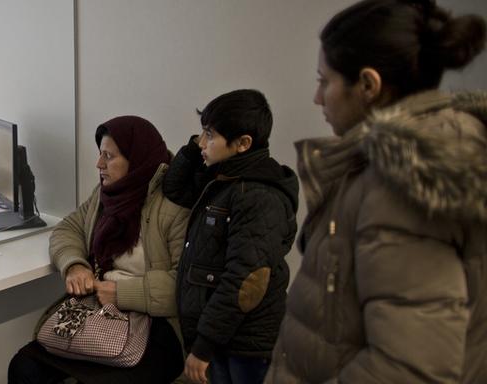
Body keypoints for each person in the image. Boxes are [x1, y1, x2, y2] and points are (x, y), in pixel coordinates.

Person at [266, 1, 487, 382]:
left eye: (325, 81)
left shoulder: (404, 185)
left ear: (368, 85)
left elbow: (408, 367)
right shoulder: (391, 172)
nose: (318, 98)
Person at [8, 116, 189, 383]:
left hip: (156, 323)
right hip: (98, 307)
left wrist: (122, 293)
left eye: (109, 156)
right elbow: (68, 229)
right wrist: (74, 264)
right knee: (25, 368)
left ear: (137, 160)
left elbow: (183, 285)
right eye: (99, 154)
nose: (99, 164)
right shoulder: (106, 194)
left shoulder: (174, 205)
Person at [162, 89, 299, 384]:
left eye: (210, 135)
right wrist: (195, 146)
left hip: (246, 345)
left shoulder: (258, 195)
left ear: (243, 143)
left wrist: (203, 346)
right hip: (224, 337)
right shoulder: (224, 181)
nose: (202, 142)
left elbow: (245, 281)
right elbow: (174, 189)